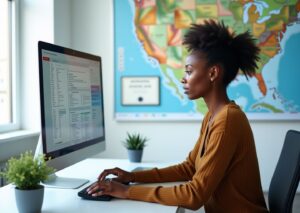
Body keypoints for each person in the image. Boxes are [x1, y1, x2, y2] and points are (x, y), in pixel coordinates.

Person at [87, 20, 269, 212]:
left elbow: (194, 195)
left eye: (189, 71)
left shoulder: (227, 120)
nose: (183, 78)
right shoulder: (214, 116)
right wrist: (132, 178)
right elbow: (189, 168)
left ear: (213, 73)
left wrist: (126, 192)